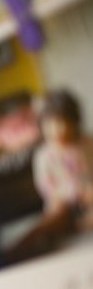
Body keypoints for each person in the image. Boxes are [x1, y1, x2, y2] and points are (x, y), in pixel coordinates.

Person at [33, 89, 93, 231]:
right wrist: (71, 193)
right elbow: (46, 187)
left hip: (89, 196)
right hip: (62, 200)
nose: (58, 130)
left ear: (75, 123)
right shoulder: (43, 155)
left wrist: (88, 192)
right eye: (50, 124)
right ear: (42, 125)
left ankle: (84, 223)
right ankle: (64, 227)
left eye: (64, 123)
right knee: (56, 212)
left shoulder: (87, 143)